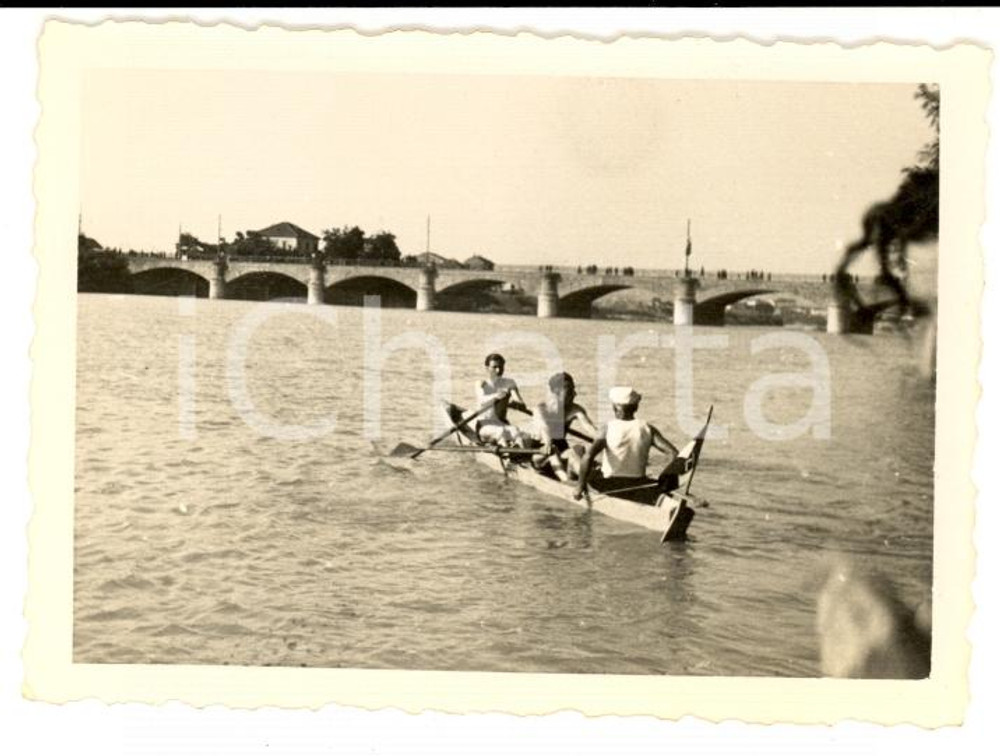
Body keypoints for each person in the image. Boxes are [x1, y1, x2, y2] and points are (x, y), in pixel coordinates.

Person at [573, 386, 678, 500]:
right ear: (636, 407)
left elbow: (588, 457)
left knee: (577, 451)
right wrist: (666, 480)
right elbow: (673, 453)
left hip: (609, 486)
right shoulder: (648, 428)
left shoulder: (607, 428)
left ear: (614, 407)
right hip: (638, 484)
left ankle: (572, 485)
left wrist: (580, 486)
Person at [527, 372, 598, 481]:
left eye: (573, 389)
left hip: (561, 449)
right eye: (569, 391)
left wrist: (604, 440)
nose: (575, 394)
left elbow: (590, 428)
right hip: (539, 453)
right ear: (556, 392)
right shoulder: (540, 409)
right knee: (553, 451)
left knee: (578, 450)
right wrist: (548, 443)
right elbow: (545, 429)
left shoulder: (575, 409)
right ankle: (567, 482)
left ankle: (588, 480)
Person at [474, 353, 528, 447]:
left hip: (502, 423)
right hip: (484, 425)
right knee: (501, 432)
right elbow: (482, 399)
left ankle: (519, 455)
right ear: (487, 368)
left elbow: (519, 401)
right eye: (494, 367)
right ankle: (507, 453)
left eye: (501, 367)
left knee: (516, 431)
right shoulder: (481, 383)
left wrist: (517, 404)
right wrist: (497, 396)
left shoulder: (509, 383)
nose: (498, 370)